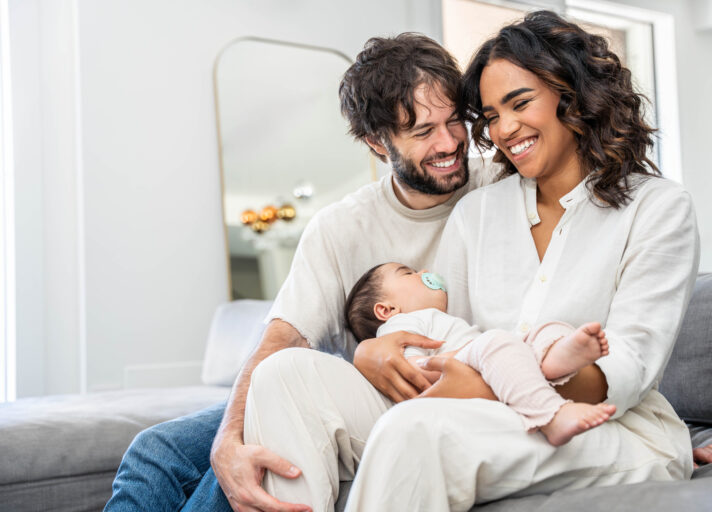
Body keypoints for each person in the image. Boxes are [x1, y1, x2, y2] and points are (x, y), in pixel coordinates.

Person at [239, 11, 709, 512]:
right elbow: (450, 332)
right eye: (489, 116)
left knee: (415, 429)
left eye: (520, 103)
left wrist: (481, 388)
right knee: (283, 375)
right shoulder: (478, 210)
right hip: (482, 409)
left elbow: (630, 367)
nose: (504, 129)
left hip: (608, 423)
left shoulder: (658, 208)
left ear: (570, 95)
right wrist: (374, 351)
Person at [105, 32, 502, 512]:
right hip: (341, 392)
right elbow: (283, 340)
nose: (449, 142)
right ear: (377, 142)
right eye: (422, 132)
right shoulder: (340, 226)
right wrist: (227, 440)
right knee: (157, 450)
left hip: (417, 396)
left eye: (454, 120)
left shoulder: (498, 185)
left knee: (248, 459)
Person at [342, 261, 615, 446]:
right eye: (408, 272)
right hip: (459, 367)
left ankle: (555, 356)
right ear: (386, 310)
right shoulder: (398, 326)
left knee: (542, 329)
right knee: (497, 341)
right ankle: (551, 415)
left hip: (484, 356)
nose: (423, 271)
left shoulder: (434, 317)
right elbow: (411, 368)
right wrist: (463, 354)